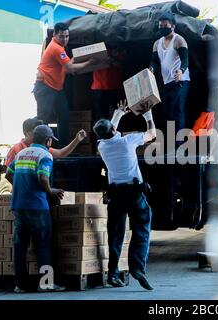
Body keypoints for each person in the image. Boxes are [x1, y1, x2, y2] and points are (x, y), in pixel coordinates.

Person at [93, 105, 156, 290]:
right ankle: (137, 268)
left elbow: (108, 131)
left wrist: (118, 114)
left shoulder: (102, 146)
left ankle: (113, 274)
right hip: (134, 193)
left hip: (115, 196)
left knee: (115, 234)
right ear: (114, 130)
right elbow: (151, 133)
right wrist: (148, 114)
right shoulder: (128, 141)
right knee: (142, 227)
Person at [5, 125, 66, 293]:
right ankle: (46, 284)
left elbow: (8, 174)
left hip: (18, 206)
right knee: (44, 245)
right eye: (51, 140)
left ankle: (20, 285)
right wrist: (50, 191)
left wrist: (21, 188)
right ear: (48, 140)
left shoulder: (21, 154)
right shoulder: (45, 155)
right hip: (37, 207)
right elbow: (42, 177)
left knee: (20, 246)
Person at [33, 22, 97, 146]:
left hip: (56, 88)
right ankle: (41, 146)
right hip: (46, 87)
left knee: (64, 116)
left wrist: (76, 59)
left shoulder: (59, 47)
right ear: (54, 35)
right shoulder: (56, 48)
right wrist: (89, 62)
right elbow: (71, 68)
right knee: (43, 119)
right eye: (61, 36)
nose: (65, 39)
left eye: (67, 36)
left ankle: (63, 147)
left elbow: (65, 68)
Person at [149, 11, 190, 137]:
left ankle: (179, 146)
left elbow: (185, 59)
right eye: (160, 26)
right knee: (167, 114)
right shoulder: (157, 43)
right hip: (167, 83)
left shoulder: (179, 40)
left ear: (173, 26)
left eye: (165, 26)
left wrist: (181, 71)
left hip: (180, 81)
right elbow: (154, 60)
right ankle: (170, 145)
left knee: (177, 113)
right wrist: (151, 68)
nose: (162, 28)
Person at [5, 117, 88, 168]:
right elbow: (8, 174)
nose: (39, 134)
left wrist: (77, 140)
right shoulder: (15, 150)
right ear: (26, 132)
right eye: (36, 131)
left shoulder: (42, 149)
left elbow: (61, 153)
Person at [91, 48, 126, 122]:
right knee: (100, 117)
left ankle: (116, 132)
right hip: (99, 87)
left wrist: (111, 60)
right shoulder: (96, 48)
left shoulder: (119, 49)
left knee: (119, 115)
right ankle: (101, 132)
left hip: (115, 87)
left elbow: (123, 66)